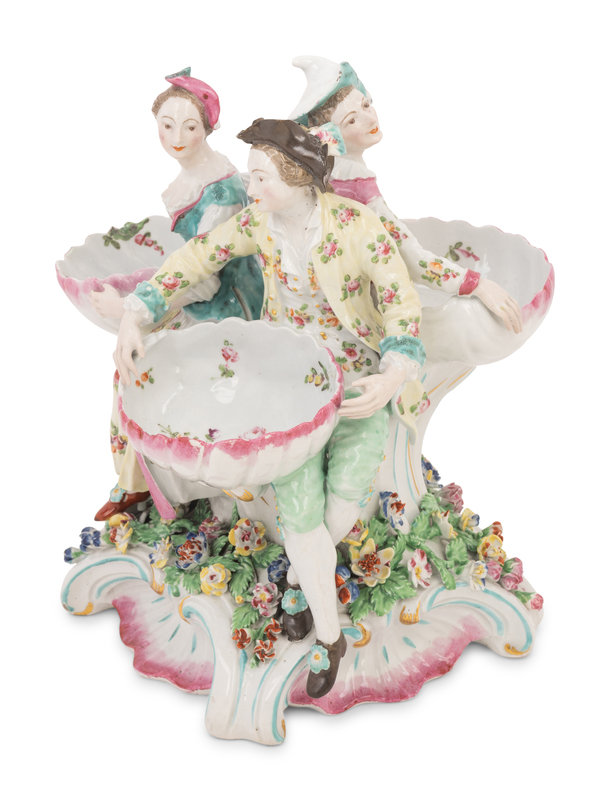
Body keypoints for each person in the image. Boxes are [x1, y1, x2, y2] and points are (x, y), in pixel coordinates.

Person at [114, 118, 426, 698]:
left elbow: (401, 305)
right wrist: (136, 312)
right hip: (291, 389)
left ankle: (301, 586)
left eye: (261, 177)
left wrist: (393, 372)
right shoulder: (257, 222)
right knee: (302, 518)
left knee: (340, 508)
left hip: (359, 384)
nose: (249, 187)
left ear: (299, 178)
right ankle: (329, 636)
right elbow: (197, 258)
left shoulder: (358, 227)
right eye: (251, 176)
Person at [92, 69, 263, 520]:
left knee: (145, 371)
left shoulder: (221, 192)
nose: (177, 138)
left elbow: (205, 278)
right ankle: (137, 484)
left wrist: (133, 309)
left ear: (208, 127)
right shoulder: (194, 178)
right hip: (200, 298)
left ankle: (184, 490)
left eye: (190, 127)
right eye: (166, 126)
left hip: (228, 309)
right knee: (129, 366)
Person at [289, 56, 522, 333]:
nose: (370, 118)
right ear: (330, 137)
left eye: (366, 105)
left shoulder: (318, 180)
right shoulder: (355, 188)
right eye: (351, 120)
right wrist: (477, 284)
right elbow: (410, 257)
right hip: (350, 323)